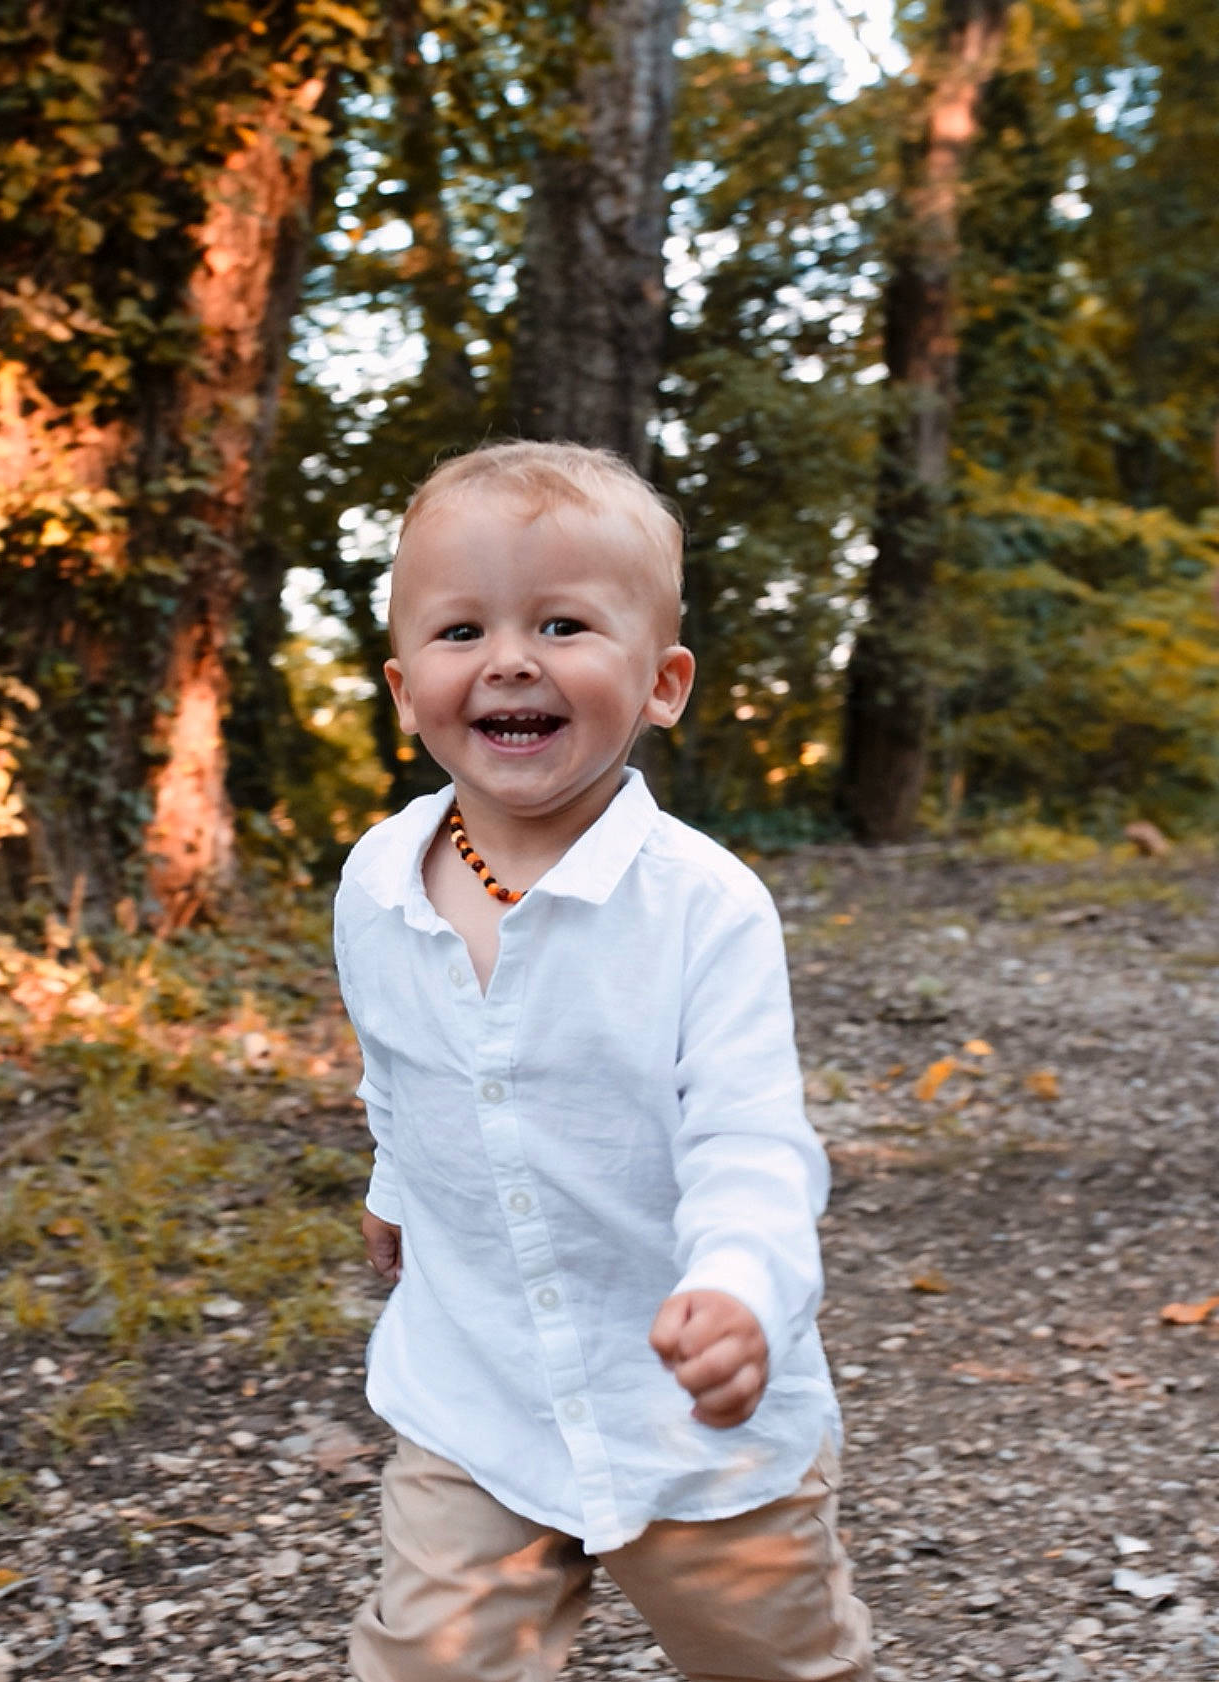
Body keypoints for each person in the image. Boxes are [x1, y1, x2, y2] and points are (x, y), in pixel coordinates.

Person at [334, 440, 874, 1682]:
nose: (508, 658)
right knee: (430, 1664)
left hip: (688, 1424)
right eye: (460, 629)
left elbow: (749, 1135)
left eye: (561, 623)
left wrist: (739, 1285)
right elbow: (397, 1067)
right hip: (472, 1395)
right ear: (405, 689)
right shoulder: (374, 880)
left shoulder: (701, 905)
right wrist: (393, 1183)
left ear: (661, 682)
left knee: (773, 1664)